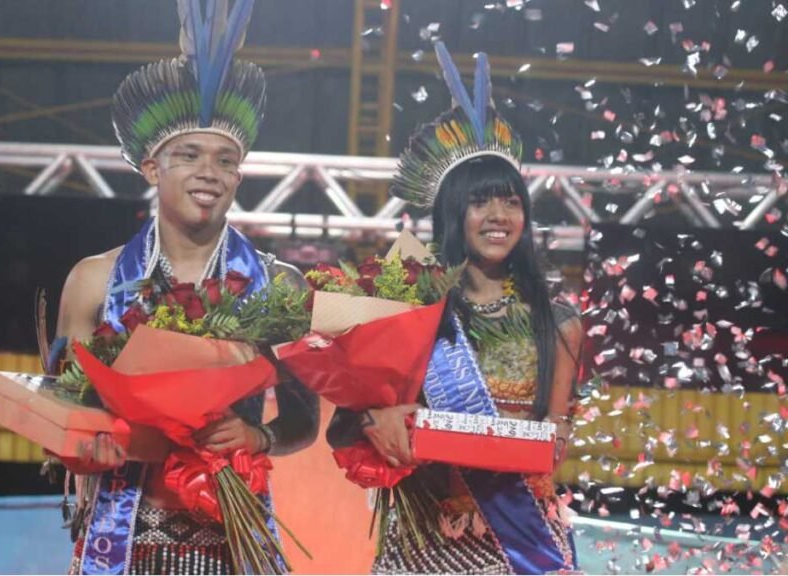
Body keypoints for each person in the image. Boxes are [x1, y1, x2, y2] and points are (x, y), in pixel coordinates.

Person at [53, 1, 318, 573]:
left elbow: (305, 421)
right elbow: (58, 409)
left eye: (226, 161)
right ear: (152, 168)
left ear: (239, 176)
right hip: (122, 541)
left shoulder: (279, 285)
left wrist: (257, 436)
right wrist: (85, 444)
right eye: (189, 155)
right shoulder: (94, 280)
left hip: (230, 540)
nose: (209, 173)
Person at [327, 43, 583, 574]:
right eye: (479, 201)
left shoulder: (559, 323)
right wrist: (377, 420)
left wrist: (539, 436)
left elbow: (553, 445)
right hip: (423, 541)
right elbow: (344, 427)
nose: (498, 216)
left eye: (511, 201)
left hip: (519, 545)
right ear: (451, 214)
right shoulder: (406, 309)